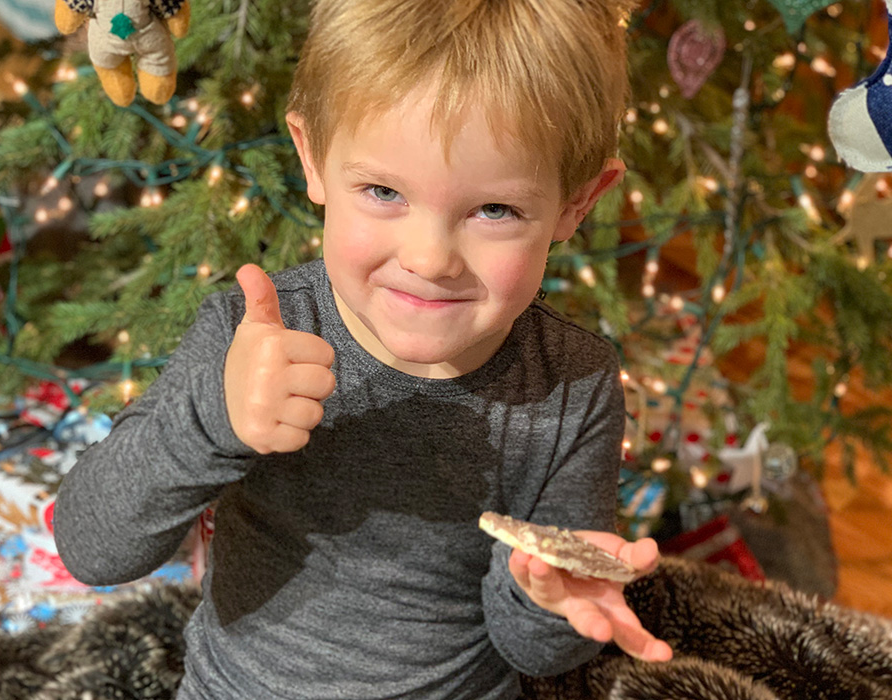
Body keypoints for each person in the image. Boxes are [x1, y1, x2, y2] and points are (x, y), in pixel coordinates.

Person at [54, 0, 674, 697]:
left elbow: (536, 650)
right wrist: (213, 419)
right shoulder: (255, 337)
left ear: (578, 203)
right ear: (312, 157)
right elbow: (89, 545)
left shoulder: (573, 385)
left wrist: (544, 596)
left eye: (494, 210)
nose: (429, 257)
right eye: (384, 191)